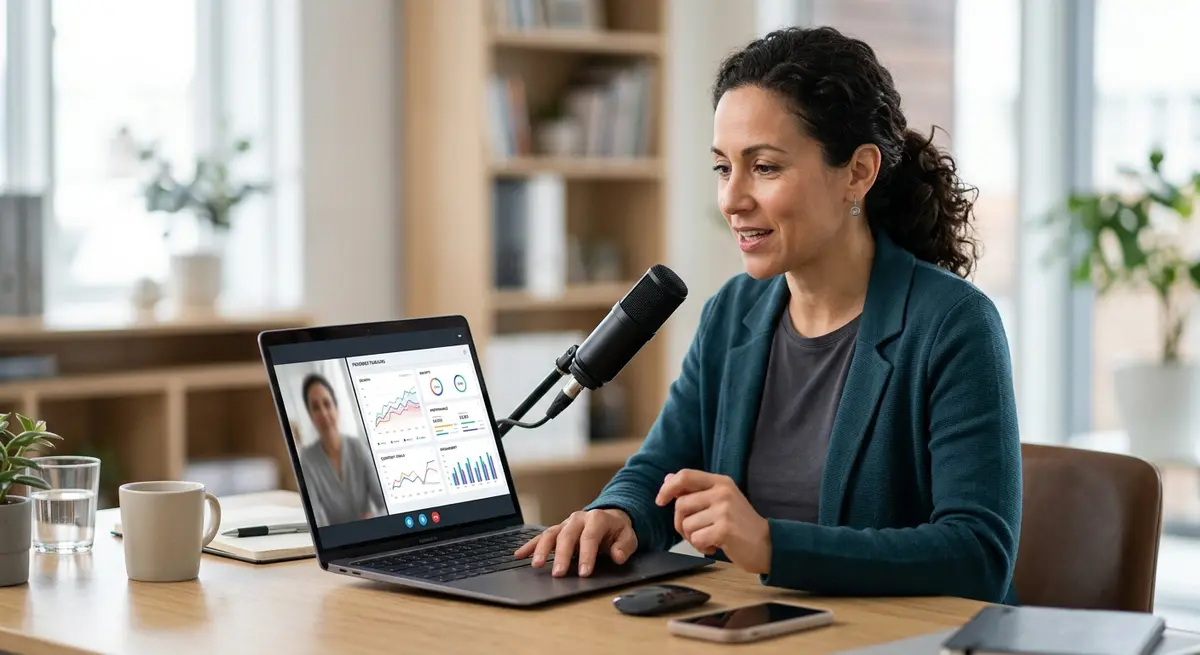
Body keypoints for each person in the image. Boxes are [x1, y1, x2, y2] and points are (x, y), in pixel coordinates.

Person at [515, 26, 1022, 604]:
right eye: (723, 168)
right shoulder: (733, 312)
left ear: (858, 172)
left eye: (766, 167)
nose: (732, 199)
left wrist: (773, 546)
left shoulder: (953, 324)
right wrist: (619, 513)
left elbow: (979, 555)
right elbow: (662, 467)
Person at [297, 373, 386, 526]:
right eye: (316, 407)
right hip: (338, 543)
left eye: (327, 403)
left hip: (370, 533)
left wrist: (375, 518)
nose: (324, 413)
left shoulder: (358, 447)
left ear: (336, 407)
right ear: (311, 416)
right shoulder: (308, 459)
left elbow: (384, 503)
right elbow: (315, 517)